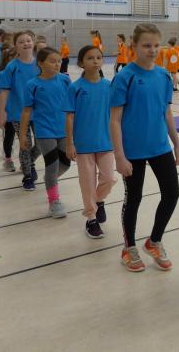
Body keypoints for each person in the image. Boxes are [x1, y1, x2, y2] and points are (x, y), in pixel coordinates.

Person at [110, 23, 179, 272]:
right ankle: (128, 247)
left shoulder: (163, 76)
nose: (152, 50)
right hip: (132, 151)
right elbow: (115, 120)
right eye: (146, 45)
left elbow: (167, 112)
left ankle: (154, 241)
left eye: (155, 45)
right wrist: (119, 156)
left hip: (160, 146)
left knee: (172, 194)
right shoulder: (125, 77)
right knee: (134, 199)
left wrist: (177, 145)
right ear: (133, 46)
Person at [65, 45, 116, 239]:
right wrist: (69, 143)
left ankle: (98, 201)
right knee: (87, 182)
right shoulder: (75, 88)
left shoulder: (109, 86)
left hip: (106, 142)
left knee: (109, 178)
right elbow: (69, 117)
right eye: (90, 58)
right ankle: (91, 218)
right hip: (84, 144)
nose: (95, 61)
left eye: (98, 57)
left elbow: (116, 115)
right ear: (80, 63)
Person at [20, 47, 71, 218]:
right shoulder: (32, 85)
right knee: (52, 165)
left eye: (59, 61)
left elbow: (72, 105)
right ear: (41, 63)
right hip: (44, 131)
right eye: (52, 61)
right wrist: (22, 134)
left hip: (63, 130)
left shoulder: (65, 80)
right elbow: (26, 111)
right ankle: (54, 202)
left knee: (65, 164)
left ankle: (50, 180)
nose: (57, 64)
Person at [0, 30, 40, 190]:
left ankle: (29, 162)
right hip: (18, 113)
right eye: (21, 41)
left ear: (33, 42)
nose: (25, 43)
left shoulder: (41, 64)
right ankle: (28, 176)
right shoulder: (12, 67)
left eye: (28, 40)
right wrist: (1, 113)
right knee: (25, 144)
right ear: (16, 46)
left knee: (42, 143)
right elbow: (4, 91)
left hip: (39, 113)